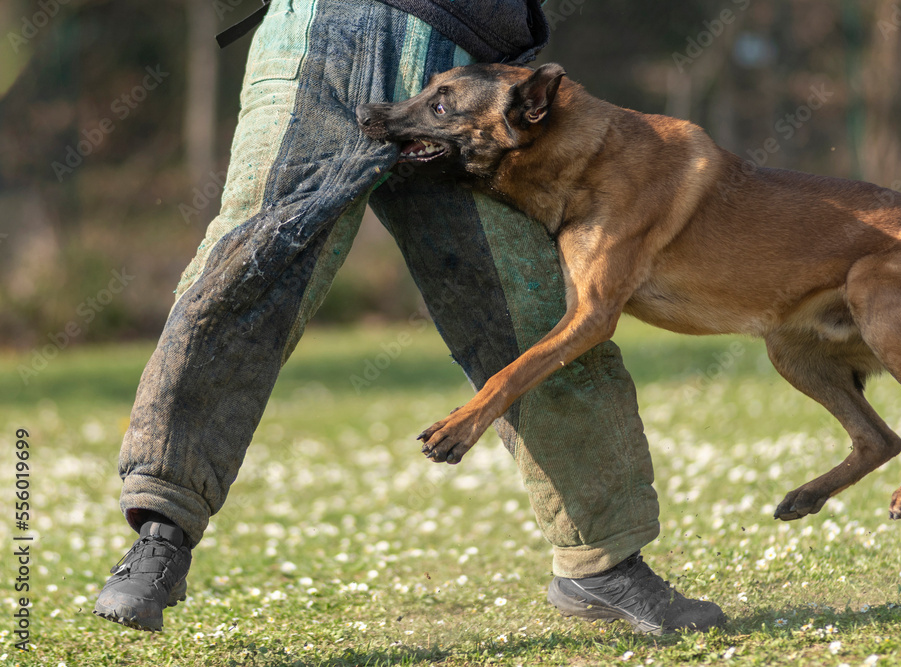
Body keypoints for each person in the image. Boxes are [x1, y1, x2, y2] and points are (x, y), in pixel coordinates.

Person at [93, 0, 726, 635]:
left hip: (467, 62)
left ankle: (604, 561)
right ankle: (161, 531)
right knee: (240, 277)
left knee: (534, 313)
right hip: (317, 38)